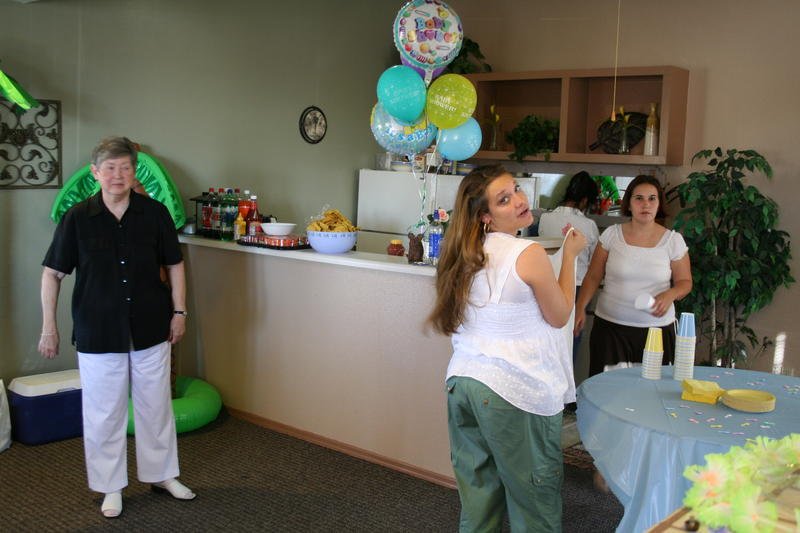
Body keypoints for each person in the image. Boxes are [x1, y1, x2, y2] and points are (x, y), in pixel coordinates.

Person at [38, 136, 196, 518]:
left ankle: (162, 475)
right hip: (97, 331)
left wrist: (179, 312)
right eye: (109, 168)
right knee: (104, 413)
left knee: (155, 408)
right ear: (96, 173)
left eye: (125, 167)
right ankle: (111, 486)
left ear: (134, 171)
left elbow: (174, 264)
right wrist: (49, 328)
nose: (118, 175)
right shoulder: (77, 218)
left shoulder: (155, 214)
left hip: (151, 326)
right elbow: (52, 274)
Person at [428, 164, 587, 532]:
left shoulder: (462, 254)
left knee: (478, 501)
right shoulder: (526, 252)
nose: (519, 199)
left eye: (515, 189)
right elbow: (560, 315)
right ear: (485, 216)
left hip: (463, 383)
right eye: (504, 199)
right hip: (513, 391)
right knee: (535, 505)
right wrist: (570, 255)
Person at [575, 174, 692, 377]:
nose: (646, 204)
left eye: (652, 198)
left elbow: (685, 282)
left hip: (657, 331)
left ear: (659, 204)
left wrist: (670, 294)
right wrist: (579, 308)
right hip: (610, 329)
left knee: (652, 390)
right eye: (639, 198)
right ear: (628, 204)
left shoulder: (673, 241)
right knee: (607, 388)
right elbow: (593, 276)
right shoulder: (611, 235)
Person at [537, 171, 601, 365]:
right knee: (570, 343)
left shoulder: (545, 218)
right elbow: (595, 263)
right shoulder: (589, 225)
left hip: (547, 285)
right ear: (585, 200)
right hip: (577, 288)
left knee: (547, 341)